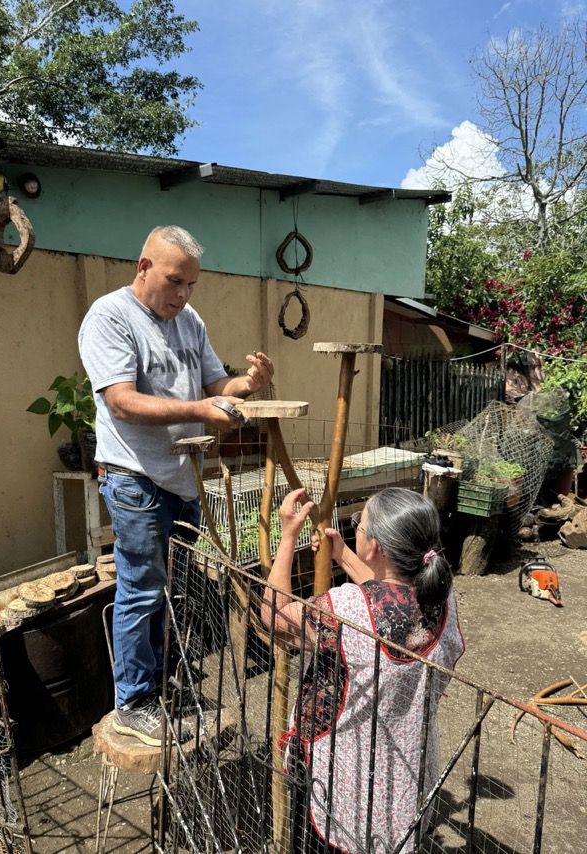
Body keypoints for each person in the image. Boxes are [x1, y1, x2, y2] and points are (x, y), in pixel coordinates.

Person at [79, 225, 274, 747]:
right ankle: (133, 704)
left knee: (179, 592)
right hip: (135, 479)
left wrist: (245, 387)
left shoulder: (189, 320)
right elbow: (121, 400)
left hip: (184, 481)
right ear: (143, 267)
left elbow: (217, 386)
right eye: (174, 281)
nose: (183, 294)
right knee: (141, 591)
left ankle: (162, 685)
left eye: (191, 284)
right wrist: (199, 411)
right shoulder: (110, 317)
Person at [261, 487, 464, 854]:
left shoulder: (347, 609)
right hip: (407, 778)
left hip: (343, 784)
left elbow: (275, 617)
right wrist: (344, 556)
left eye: (360, 524)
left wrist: (287, 535)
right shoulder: (442, 596)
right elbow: (387, 596)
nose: (355, 527)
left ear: (376, 548)